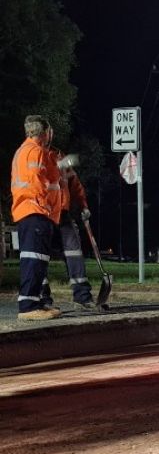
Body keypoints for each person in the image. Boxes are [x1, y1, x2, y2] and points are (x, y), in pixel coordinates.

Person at [9, 115, 66, 320]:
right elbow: (37, 182)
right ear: (45, 132)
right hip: (35, 212)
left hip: (34, 212)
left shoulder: (29, 151)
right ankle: (28, 306)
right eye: (50, 131)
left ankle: (37, 302)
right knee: (33, 259)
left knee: (39, 260)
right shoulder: (34, 152)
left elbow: (48, 176)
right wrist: (46, 206)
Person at [46, 148, 95, 310]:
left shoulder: (59, 156)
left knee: (74, 252)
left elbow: (75, 184)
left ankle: (82, 296)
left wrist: (83, 206)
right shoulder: (37, 155)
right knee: (40, 257)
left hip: (63, 213)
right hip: (44, 213)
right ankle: (42, 298)